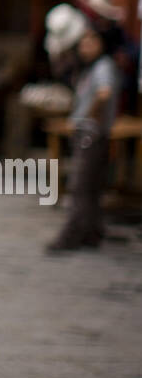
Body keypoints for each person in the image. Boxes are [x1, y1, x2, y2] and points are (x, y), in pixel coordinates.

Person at [45, 15, 122, 253]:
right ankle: (92, 231)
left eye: (90, 42)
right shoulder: (90, 68)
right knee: (90, 187)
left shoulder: (103, 66)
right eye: (83, 42)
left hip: (91, 134)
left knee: (79, 185)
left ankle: (72, 234)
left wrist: (88, 117)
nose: (84, 47)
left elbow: (104, 93)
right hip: (90, 133)